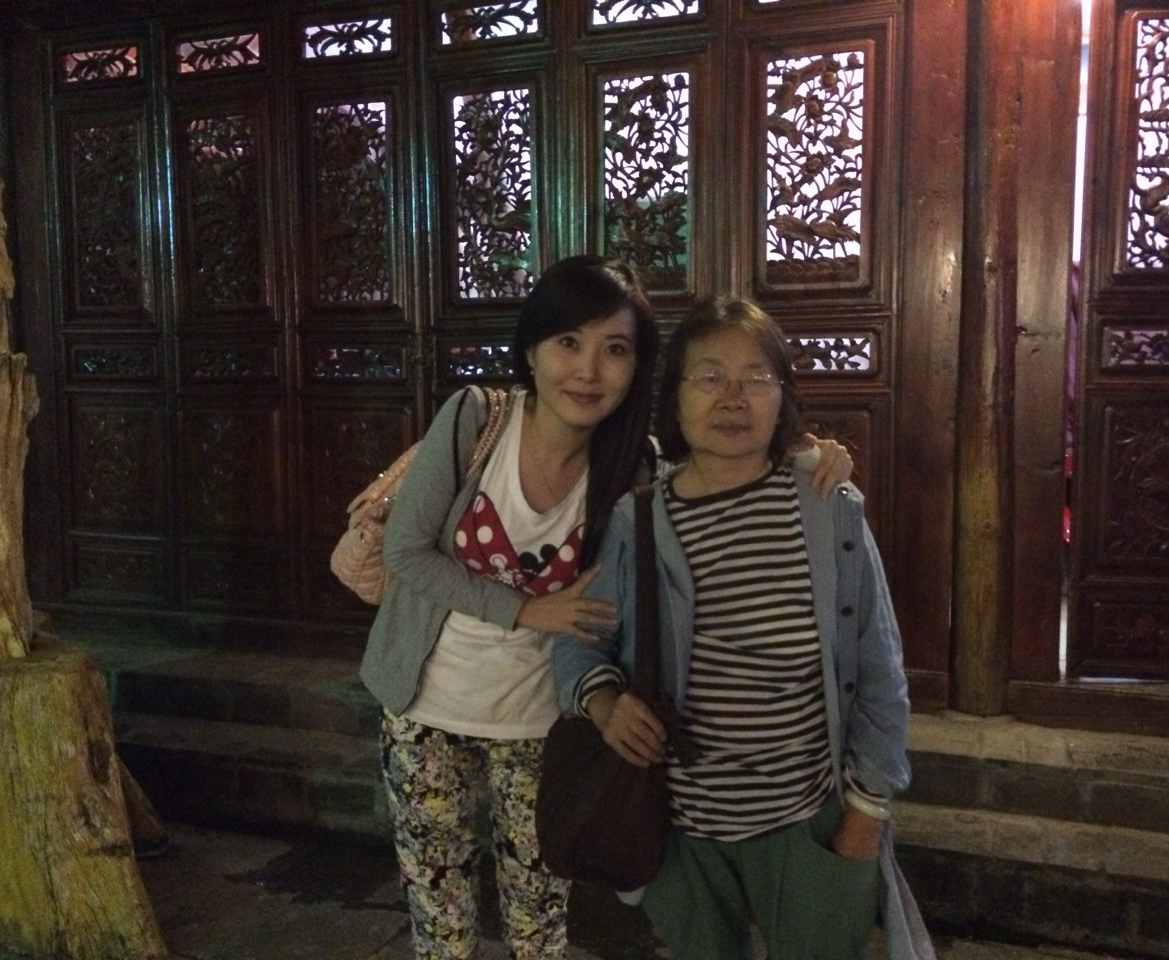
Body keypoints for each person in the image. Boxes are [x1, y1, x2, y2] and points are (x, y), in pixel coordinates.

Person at [358, 259, 856, 960]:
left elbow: (721, 462)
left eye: (615, 349)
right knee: (440, 924)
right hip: (424, 709)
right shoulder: (475, 420)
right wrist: (527, 611)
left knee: (539, 925)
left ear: (637, 367)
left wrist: (808, 453)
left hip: (539, 722)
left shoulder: (635, 465)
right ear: (533, 349)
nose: (588, 370)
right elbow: (407, 553)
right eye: (569, 342)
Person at [552, 295, 934, 960]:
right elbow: (579, 639)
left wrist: (866, 813)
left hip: (811, 821)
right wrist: (605, 703)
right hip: (680, 828)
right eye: (708, 376)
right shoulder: (638, 522)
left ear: (782, 398)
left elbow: (879, 666)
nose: (732, 397)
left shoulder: (828, 508)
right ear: (674, 399)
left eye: (756, 378)